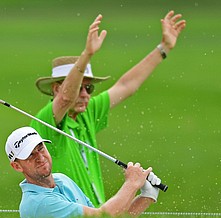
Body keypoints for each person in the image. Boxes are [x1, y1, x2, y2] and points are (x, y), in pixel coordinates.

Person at [30, 11, 186, 207]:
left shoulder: (87, 111)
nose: (85, 94)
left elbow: (126, 86)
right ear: (56, 88)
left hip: (95, 217)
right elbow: (65, 99)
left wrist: (163, 48)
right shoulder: (46, 120)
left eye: (89, 87)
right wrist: (87, 55)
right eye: (79, 87)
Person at [5, 126, 161, 218]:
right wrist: (131, 184)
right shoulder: (38, 204)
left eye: (40, 148)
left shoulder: (62, 180)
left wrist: (146, 196)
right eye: (30, 155)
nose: (40, 157)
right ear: (17, 166)